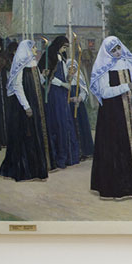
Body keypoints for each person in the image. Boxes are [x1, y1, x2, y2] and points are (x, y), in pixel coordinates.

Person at [89, 36, 132, 199]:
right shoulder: (103, 68)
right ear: (107, 52)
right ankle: (117, 189)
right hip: (113, 113)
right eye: (113, 50)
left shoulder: (126, 62)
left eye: (118, 48)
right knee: (116, 148)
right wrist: (126, 87)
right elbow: (104, 92)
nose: (117, 52)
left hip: (129, 111)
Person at [0, 40, 51, 181]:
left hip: (35, 102)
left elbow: (37, 81)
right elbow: (17, 86)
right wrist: (26, 106)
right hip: (24, 106)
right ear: (26, 49)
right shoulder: (20, 64)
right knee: (25, 135)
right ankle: (23, 171)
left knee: (34, 135)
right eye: (33, 47)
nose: (35, 49)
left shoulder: (33, 62)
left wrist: (43, 76)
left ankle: (36, 170)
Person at [41, 36, 80, 169]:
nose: (64, 50)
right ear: (58, 45)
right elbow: (49, 78)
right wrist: (63, 84)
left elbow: (63, 73)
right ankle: (58, 158)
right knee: (57, 122)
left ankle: (68, 156)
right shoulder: (49, 55)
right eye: (63, 47)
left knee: (65, 122)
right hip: (54, 94)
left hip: (62, 94)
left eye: (66, 48)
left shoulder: (61, 57)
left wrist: (69, 77)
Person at [67, 58, 94, 160]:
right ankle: (75, 153)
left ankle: (85, 151)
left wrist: (79, 99)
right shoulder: (66, 79)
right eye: (70, 69)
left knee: (82, 126)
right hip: (69, 106)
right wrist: (70, 99)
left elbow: (84, 90)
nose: (72, 71)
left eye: (74, 68)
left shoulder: (79, 77)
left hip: (79, 106)